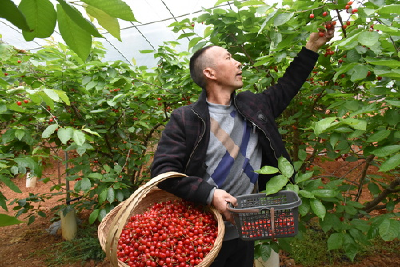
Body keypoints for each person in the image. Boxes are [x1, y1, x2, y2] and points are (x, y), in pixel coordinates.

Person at [150, 27, 335, 267]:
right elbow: (163, 172)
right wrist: (209, 194)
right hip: (204, 233)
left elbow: (288, 85)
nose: (238, 63)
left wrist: (312, 47)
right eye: (228, 57)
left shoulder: (254, 106)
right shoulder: (186, 118)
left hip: (245, 227)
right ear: (210, 72)